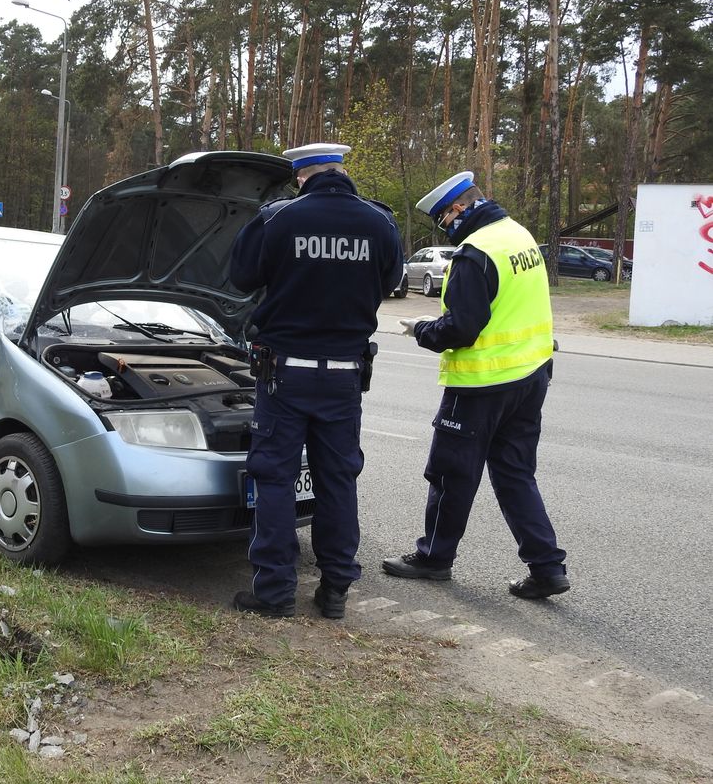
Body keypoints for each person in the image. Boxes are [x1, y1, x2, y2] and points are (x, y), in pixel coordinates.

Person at [229, 143, 404, 619]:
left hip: (284, 377)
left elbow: (239, 277)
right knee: (338, 481)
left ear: (300, 176)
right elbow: (390, 281)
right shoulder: (381, 223)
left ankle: (275, 592)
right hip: (345, 379)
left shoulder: (278, 219)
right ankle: (335, 591)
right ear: (342, 171)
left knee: (276, 479)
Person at [384, 171, 569, 599]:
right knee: (515, 475)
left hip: (481, 384)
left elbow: (461, 329)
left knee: (451, 475)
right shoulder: (517, 235)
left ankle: (434, 558)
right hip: (531, 375)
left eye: (445, 218)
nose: (445, 227)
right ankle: (546, 568)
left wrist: (421, 329)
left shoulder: (475, 253)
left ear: (461, 209)